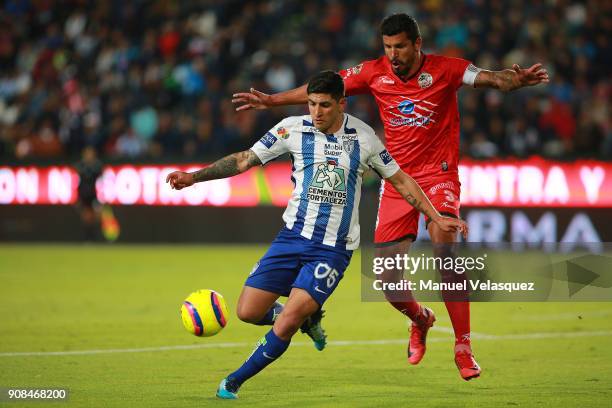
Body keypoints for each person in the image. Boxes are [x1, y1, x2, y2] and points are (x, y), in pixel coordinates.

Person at [232, 13, 549, 381]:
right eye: (388, 47)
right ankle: (420, 319)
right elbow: (325, 87)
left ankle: (463, 346)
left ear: (417, 44)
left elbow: (490, 78)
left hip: (438, 174)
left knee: (444, 242)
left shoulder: (446, 69)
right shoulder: (373, 72)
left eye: (400, 46)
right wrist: (272, 101)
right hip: (397, 178)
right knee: (387, 279)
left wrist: (514, 80)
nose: (393, 54)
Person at [167, 71, 467, 399]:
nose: (316, 112)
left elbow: (402, 181)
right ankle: (310, 320)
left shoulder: (363, 137)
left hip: (332, 251)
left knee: (288, 319)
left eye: (324, 105)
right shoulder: (292, 129)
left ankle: (233, 382)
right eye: (311, 104)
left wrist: (435, 216)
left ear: (342, 103)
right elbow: (244, 160)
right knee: (248, 312)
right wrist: (194, 178)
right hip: (292, 238)